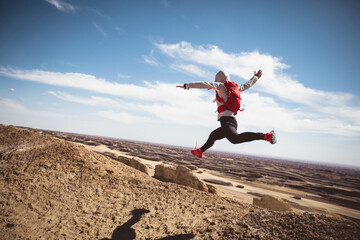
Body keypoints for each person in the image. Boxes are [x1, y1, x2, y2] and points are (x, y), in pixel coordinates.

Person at [177, 69, 276, 158]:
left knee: (235, 139)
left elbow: (203, 84)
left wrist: (187, 86)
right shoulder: (235, 87)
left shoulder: (219, 86)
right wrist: (256, 77)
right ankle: (200, 151)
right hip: (231, 121)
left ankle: (265, 136)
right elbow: (247, 85)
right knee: (213, 136)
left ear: (217, 79)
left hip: (226, 121)